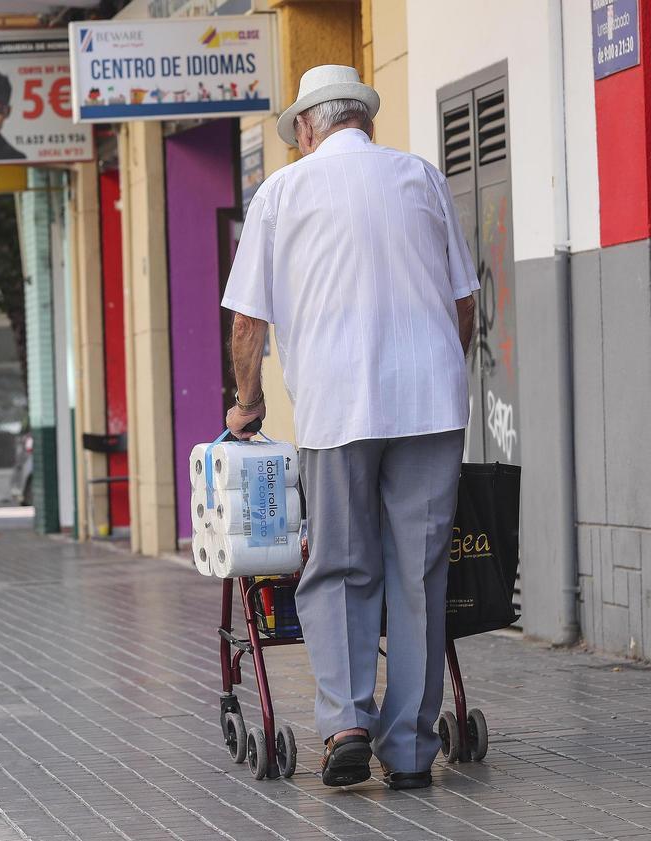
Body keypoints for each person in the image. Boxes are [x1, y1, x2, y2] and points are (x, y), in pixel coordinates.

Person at [220, 65, 478, 790]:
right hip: (430, 404)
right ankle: (410, 750)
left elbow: (248, 320)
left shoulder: (282, 192)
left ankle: (346, 722)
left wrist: (248, 404)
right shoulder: (421, 178)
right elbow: (464, 304)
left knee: (338, 565)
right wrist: (435, 372)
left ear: (306, 127)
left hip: (337, 405)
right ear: (361, 118)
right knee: (420, 573)